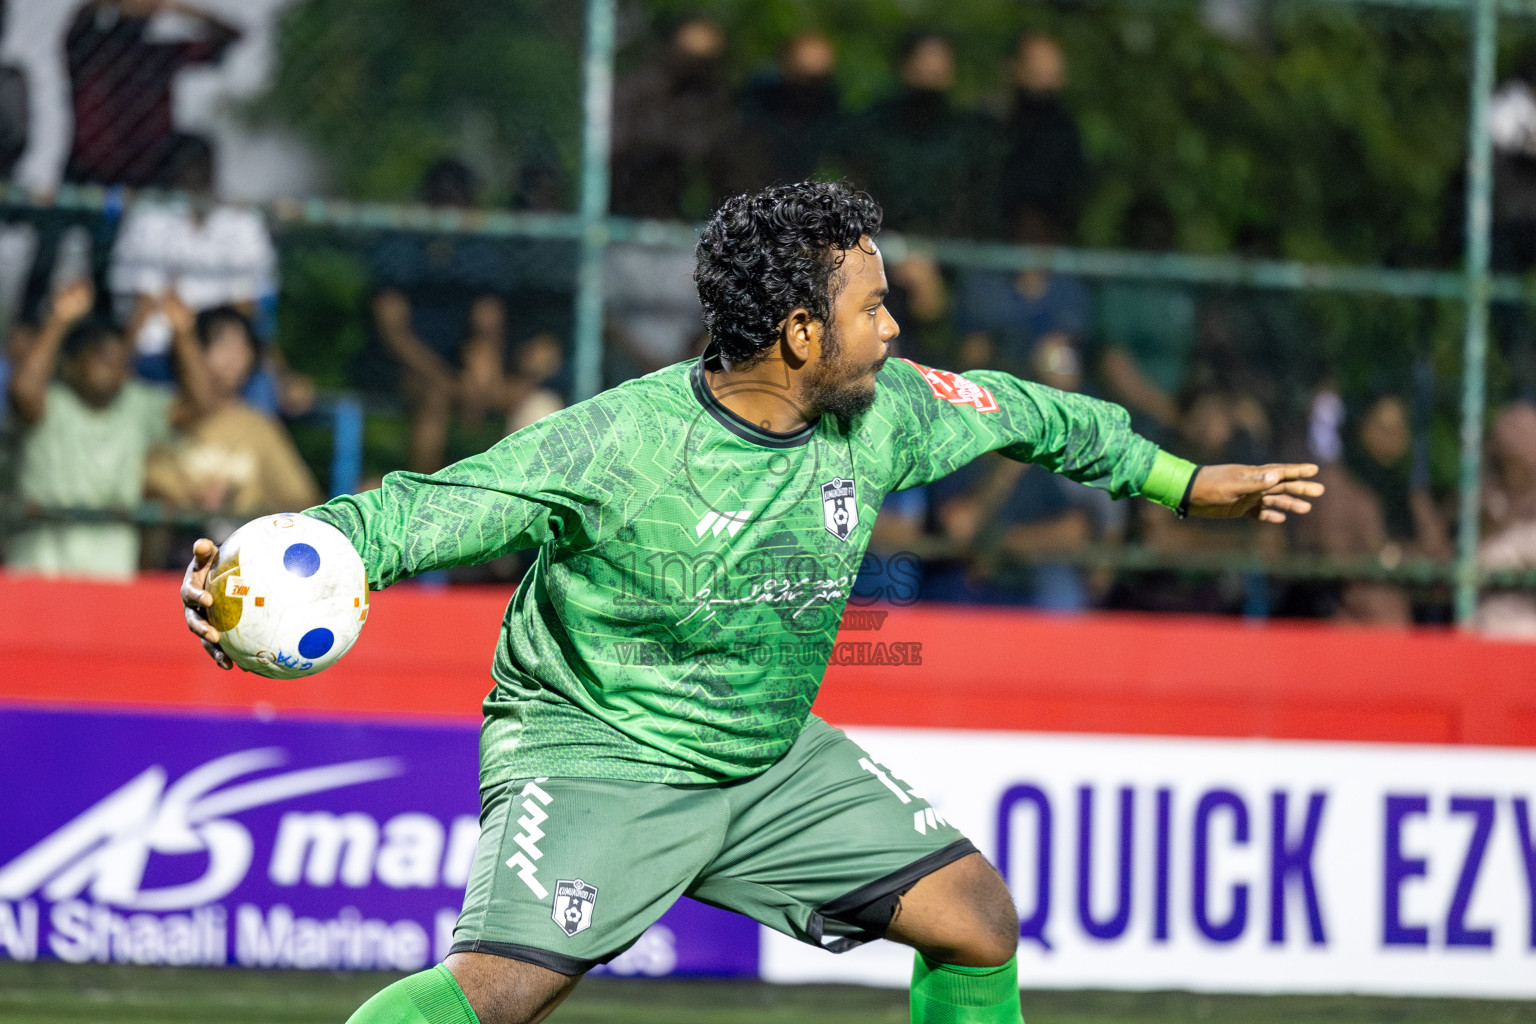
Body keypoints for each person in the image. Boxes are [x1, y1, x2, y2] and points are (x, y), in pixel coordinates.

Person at [180, 181, 1322, 1024]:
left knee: (974, 918)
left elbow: (1026, 412)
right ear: (801, 334)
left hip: (768, 759)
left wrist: (1176, 480)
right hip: (600, 750)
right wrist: (258, 580)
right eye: (872, 309)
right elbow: (426, 511)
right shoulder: (622, 443)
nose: (893, 329)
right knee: (495, 993)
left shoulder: (882, 414)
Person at [8, 279, 205, 578]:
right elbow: (22, 392)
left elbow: (200, 406)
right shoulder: (50, 403)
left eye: (120, 361)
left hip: (111, 569)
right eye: (101, 357)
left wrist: (183, 333)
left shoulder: (136, 405)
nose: (114, 368)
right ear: (71, 363)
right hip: (38, 564)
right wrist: (58, 320)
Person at [144, 303, 321, 520]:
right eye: (222, 343)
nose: (235, 355)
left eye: (243, 345)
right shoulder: (161, 413)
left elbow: (303, 500)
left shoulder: (258, 425)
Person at [63, 0, 242, 187]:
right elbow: (80, 24)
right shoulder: (91, 50)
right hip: (92, 166)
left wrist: (176, 8)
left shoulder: (157, 55)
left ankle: (194, 211)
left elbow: (228, 38)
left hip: (150, 165)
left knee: (194, 147)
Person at [841, 33, 995, 237]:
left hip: (953, 251)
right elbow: (859, 190)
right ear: (905, 64)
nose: (932, 68)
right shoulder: (873, 126)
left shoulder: (969, 133)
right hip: (884, 245)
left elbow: (976, 199)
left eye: (940, 59)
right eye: (925, 58)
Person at [995, 33, 1087, 239]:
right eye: (1036, 67)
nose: (1043, 74)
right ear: (1015, 69)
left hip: (1053, 255)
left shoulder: (1066, 138)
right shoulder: (991, 131)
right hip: (996, 251)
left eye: (1050, 68)